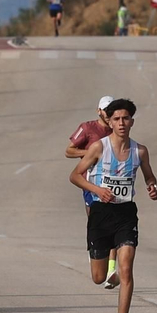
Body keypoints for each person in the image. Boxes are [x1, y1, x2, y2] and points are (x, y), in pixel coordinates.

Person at [69, 98, 157, 313]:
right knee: (98, 277)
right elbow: (75, 176)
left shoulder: (140, 151)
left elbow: (150, 176)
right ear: (110, 121)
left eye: (126, 118)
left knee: (127, 268)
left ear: (132, 121)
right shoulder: (98, 147)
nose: (121, 123)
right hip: (100, 214)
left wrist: (152, 187)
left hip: (126, 213)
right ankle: (101, 264)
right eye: (116, 119)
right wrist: (96, 190)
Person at [66, 95, 121, 286]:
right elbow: (69, 151)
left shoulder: (117, 127)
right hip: (91, 183)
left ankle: (111, 270)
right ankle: (96, 256)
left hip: (114, 183)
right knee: (97, 224)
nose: (109, 115)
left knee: (114, 225)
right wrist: (90, 153)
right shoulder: (88, 128)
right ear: (99, 111)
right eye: (106, 111)